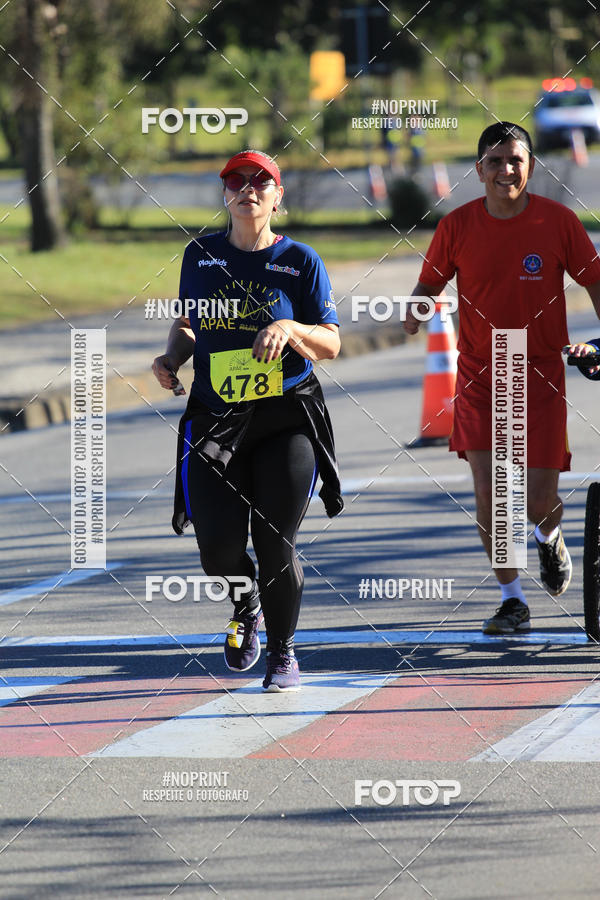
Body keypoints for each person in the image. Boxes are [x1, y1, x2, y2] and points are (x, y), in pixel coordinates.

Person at [152, 150, 342, 690]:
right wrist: (171, 359)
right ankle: (245, 603)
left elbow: (330, 343)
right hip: (216, 419)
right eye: (237, 180)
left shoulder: (301, 261)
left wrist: (290, 327)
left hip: (286, 418)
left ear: (278, 197)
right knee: (217, 549)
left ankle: (282, 652)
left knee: (274, 538)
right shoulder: (200, 256)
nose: (249, 189)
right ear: (225, 194)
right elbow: (189, 324)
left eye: (262, 182)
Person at [404, 121, 600, 634]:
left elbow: (596, 279)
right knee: (496, 499)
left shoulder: (558, 223)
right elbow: (429, 283)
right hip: (480, 375)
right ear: (479, 170)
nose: (506, 170)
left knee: (536, 502)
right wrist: (415, 309)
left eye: (515, 160)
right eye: (495, 161)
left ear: (530, 166)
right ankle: (513, 600)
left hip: (538, 374)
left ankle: (548, 537)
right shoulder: (457, 225)